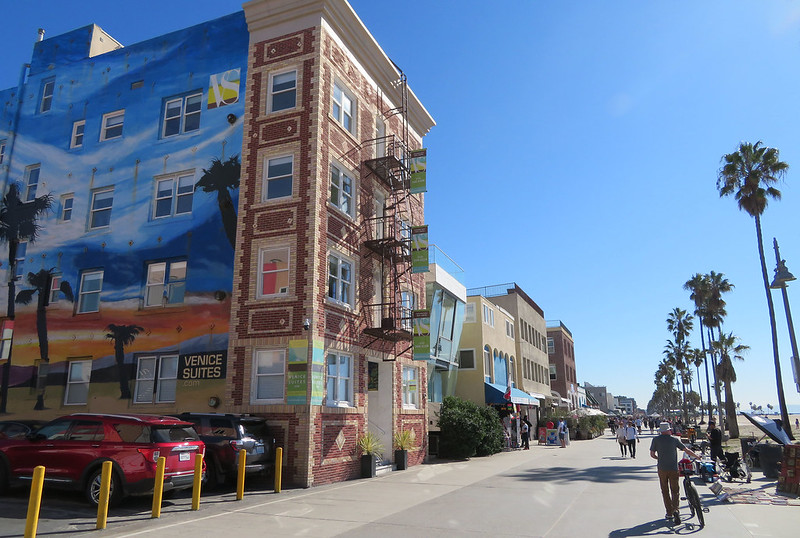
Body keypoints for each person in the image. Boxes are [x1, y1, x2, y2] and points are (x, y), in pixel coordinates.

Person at [650, 422, 700, 525]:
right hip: (673, 468)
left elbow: (652, 454)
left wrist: (659, 458)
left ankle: (669, 513)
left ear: (661, 431)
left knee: (665, 490)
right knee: (675, 490)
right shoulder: (674, 440)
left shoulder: (656, 440)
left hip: (662, 469)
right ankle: (676, 510)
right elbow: (686, 450)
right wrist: (696, 456)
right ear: (668, 430)